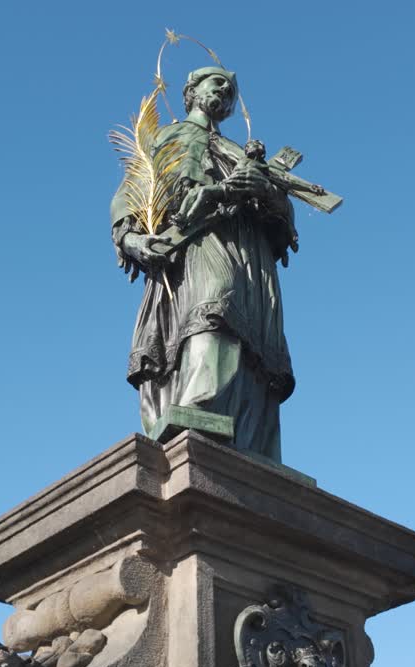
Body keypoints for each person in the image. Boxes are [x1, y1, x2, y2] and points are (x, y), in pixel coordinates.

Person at [110, 67, 298, 462]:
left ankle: (252, 434)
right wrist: (132, 239)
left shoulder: (237, 151)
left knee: (250, 335)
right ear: (190, 91)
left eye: (231, 89)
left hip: (252, 254)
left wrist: (265, 189)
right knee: (214, 304)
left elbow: (284, 216)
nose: (225, 90)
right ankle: (200, 404)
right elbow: (132, 191)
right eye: (217, 83)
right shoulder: (168, 138)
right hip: (198, 242)